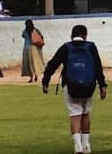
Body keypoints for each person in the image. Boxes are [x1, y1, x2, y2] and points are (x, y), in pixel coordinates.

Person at [42, 24, 107, 154]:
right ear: (85, 35)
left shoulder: (66, 48)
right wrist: (102, 85)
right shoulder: (91, 47)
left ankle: (78, 146)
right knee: (85, 113)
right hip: (88, 86)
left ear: (72, 36)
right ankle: (86, 144)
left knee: (74, 115)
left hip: (70, 86)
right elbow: (98, 67)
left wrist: (45, 81)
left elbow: (52, 64)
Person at [21, 19, 46, 84]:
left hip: (26, 48)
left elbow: (23, 36)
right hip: (33, 48)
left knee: (28, 63)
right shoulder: (35, 30)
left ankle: (31, 77)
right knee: (34, 62)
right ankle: (36, 75)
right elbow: (41, 36)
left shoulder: (25, 31)